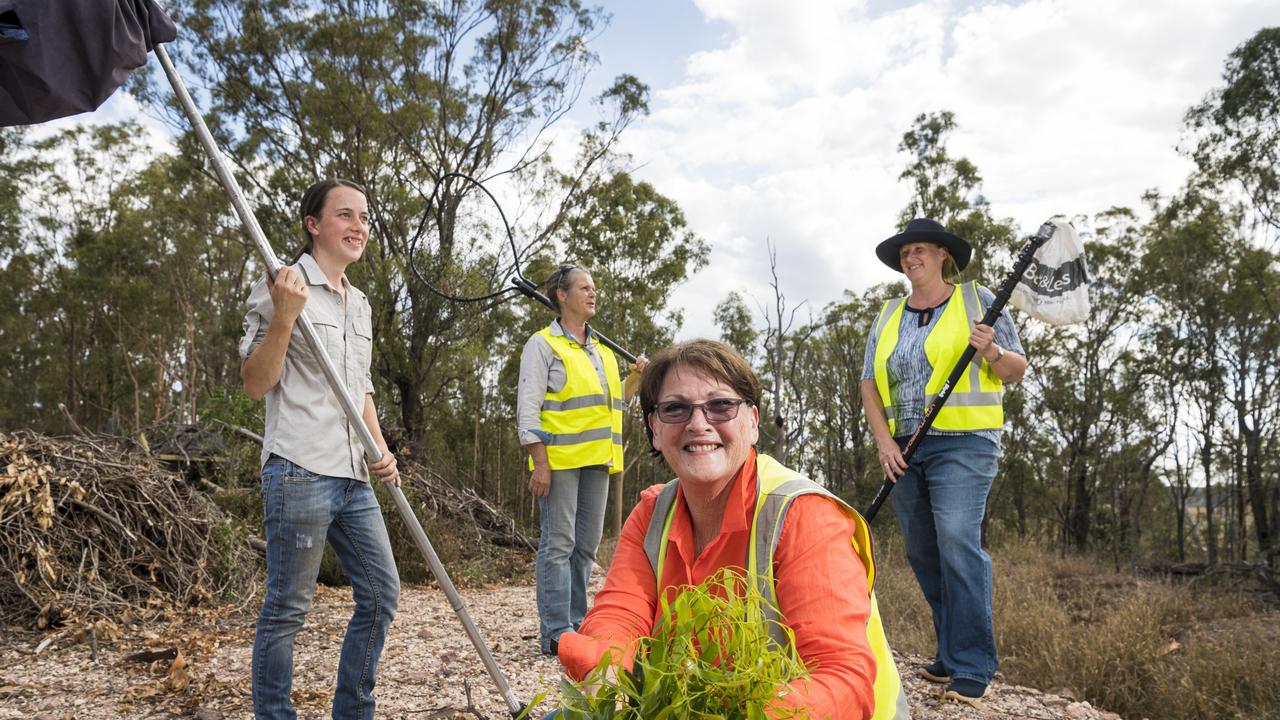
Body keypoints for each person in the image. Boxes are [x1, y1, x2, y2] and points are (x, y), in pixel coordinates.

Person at [556, 340, 909, 720]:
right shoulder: (651, 514)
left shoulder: (803, 516)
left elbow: (841, 678)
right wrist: (608, 682)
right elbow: (619, 616)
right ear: (655, 430)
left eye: (720, 405)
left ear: (753, 422)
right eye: (676, 409)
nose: (698, 423)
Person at [239, 178, 401, 720]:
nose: (359, 227)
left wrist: (380, 448)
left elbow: (362, 388)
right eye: (346, 215)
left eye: (365, 219)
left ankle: (353, 711)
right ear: (313, 224)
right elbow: (254, 383)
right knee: (287, 608)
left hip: (354, 472)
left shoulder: (362, 304)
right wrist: (285, 315)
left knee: (381, 595)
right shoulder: (281, 284)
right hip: (299, 467)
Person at [860, 217, 1027, 706]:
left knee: (956, 540)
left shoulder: (978, 301)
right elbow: (870, 383)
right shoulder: (888, 314)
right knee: (923, 551)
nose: (911, 258)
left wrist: (992, 350)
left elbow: (1016, 369)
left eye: (920, 250)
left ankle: (973, 663)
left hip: (965, 441)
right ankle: (950, 653)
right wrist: (883, 443)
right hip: (904, 446)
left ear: (942, 256)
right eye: (905, 253)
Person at [517, 264, 646, 657]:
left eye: (594, 288)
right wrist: (540, 462)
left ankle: (575, 623)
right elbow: (528, 409)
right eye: (585, 288)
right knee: (558, 544)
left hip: (600, 462)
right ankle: (555, 630)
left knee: (585, 547)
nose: (593, 294)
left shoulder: (603, 352)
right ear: (562, 295)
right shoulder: (542, 345)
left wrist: (636, 378)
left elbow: (615, 404)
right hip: (559, 462)